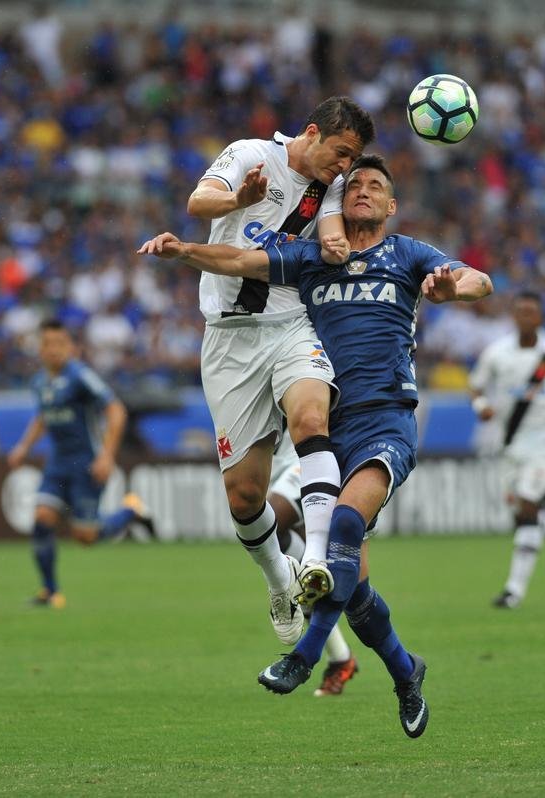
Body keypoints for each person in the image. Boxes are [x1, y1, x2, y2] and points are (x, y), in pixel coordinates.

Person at [138, 154, 494, 737]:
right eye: (355, 184)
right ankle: (407, 673)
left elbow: (478, 279)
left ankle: (302, 658)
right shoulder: (316, 257)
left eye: (377, 186)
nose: (364, 192)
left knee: (344, 531)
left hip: (386, 420)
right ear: (340, 201)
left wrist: (455, 289)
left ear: (391, 206)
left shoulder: (408, 255)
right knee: (354, 590)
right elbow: (241, 259)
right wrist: (185, 253)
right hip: (327, 426)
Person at [186, 96, 375, 645]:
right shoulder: (249, 154)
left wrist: (336, 243)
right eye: (339, 153)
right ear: (312, 132)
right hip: (229, 338)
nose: (344, 167)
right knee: (246, 498)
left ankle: (314, 557)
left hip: (292, 323)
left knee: (312, 417)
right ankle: (280, 577)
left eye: (351, 159)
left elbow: (333, 229)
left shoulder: (332, 183)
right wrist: (234, 200)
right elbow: (199, 202)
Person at [7, 320, 153, 608]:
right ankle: (50, 592)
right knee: (41, 520)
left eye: (60, 344)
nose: (54, 350)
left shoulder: (80, 377)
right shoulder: (39, 382)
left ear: (71, 347)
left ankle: (131, 510)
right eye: (48, 344)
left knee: (85, 537)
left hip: (86, 464)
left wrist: (107, 455)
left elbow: (116, 410)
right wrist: (24, 446)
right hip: (57, 463)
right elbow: (43, 417)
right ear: (40, 348)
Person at [468, 292, 545, 609]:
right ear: (513, 316)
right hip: (511, 442)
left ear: (540, 318)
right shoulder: (497, 354)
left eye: (530, 312)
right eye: (519, 312)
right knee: (521, 507)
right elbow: (476, 386)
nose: (524, 317)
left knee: (526, 506)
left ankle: (513, 591)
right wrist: (481, 405)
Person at [267, 434, 358, 696]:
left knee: (270, 524)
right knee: (308, 576)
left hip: (307, 455)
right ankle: (341, 658)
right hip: (274, 459)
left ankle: (349, 660)